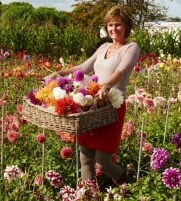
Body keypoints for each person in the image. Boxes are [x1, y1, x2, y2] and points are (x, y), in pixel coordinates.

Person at [46, 5, 140, 185]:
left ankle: (130, 189)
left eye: (118, 25)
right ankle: (88, 195)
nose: (114, 29)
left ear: (126, 26)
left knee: (103, 162)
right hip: (91, 106)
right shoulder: (104, 47)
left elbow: (121, 70)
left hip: (111, 107)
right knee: (85, 157)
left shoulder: (131, 47)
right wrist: (59, 74)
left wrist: (105, 86)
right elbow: (82, 68)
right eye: (110, 25)